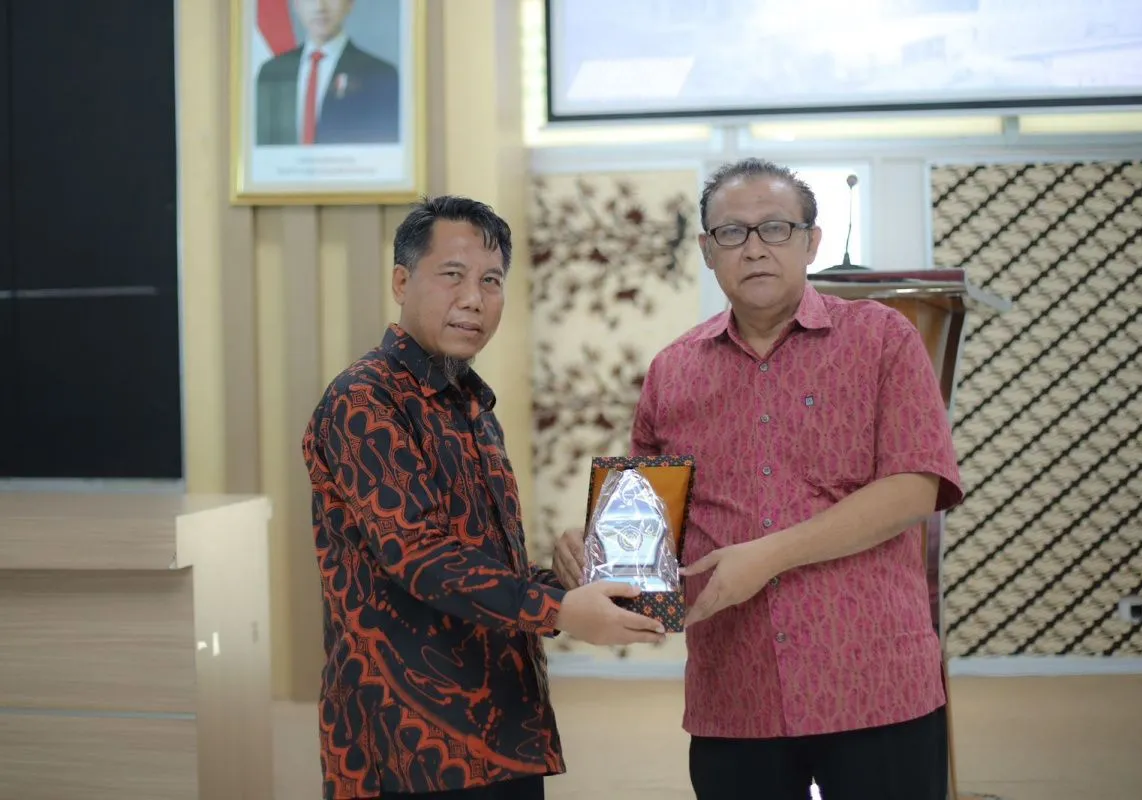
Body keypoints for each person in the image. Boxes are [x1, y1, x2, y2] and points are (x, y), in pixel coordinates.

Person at [553, 158, 965, 800]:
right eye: (731, 233)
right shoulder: (672, 371)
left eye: (775, 228)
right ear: (706, 251)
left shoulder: (884, 339)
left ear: (811, 241)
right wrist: (595, 555)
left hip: (873, 678)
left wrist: (767, 556)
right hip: (736, 693)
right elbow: (652, 526)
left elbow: (916, 486)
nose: (754, 248)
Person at [302, 195, 666, 800]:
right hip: (410, 739)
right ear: (401, 281)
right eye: (453, 274)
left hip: (504, 727)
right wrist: (561, 611)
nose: (473, 298)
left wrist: (569, 583)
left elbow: (483, 562)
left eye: (491, 281)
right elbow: (421, 558)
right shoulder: (364, 400)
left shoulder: (472, 404)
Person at [257, 0, 400, 146]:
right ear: (296, 5)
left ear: (349, 4)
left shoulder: (381, 75)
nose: (320, 7)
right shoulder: (271, 72)